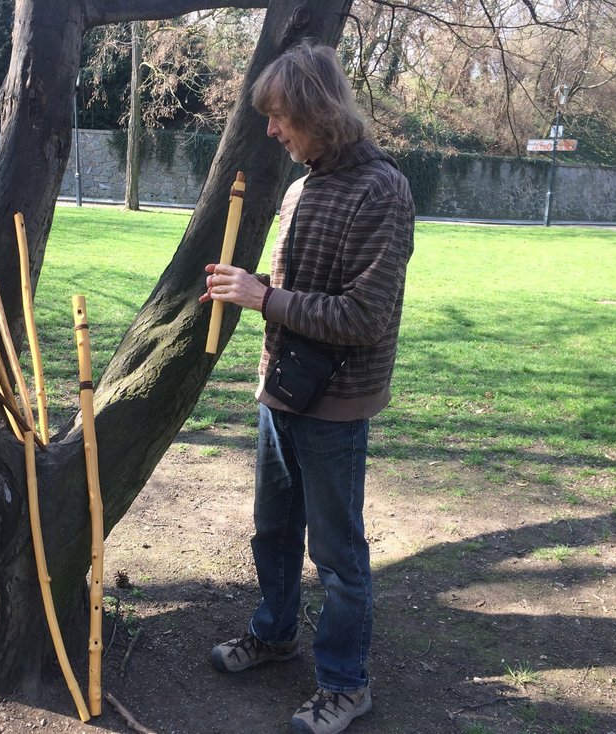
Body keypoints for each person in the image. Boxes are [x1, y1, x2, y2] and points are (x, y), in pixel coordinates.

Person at [199, 39, 415, 734]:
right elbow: (293, 290)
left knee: (339, 554)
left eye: (281, 117)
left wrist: (264, 298)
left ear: (319, 113)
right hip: (280, 392)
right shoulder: (300, 187)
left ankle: (346, 686)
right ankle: (276, 631)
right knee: (273, 531)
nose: (271, 130)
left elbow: (363, 316)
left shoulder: (384, 190)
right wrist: (254, 290)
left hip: (337, 400)